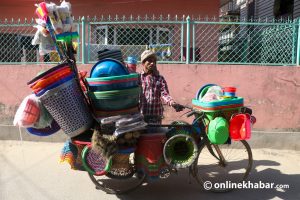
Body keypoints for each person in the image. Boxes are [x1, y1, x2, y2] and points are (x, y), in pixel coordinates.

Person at [139, 50, 184, 124]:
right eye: (149, 61)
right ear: (143, 63)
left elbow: (164, 94)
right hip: (142, 115)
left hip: (156, 115)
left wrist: (172, 103)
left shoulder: (160, 78)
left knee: (156, 134)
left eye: (154, 61)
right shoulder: (138, 78)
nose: (152, 63)